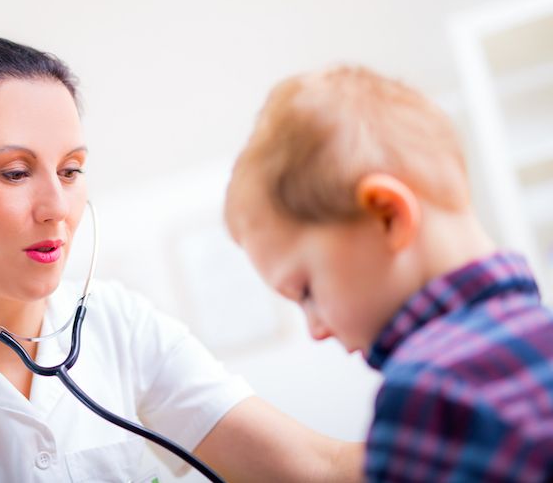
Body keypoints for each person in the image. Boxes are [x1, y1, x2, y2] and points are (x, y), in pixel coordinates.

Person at [0, 37, 361, 482]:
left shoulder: (121, 323)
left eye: (70, 170)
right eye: (15, 172)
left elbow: (315, 468)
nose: (57, 208)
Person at [224, 65, 553, 481]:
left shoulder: (427, 396)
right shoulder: (540, 333)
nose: (316, 330)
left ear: (387, 216)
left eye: (306, 291)